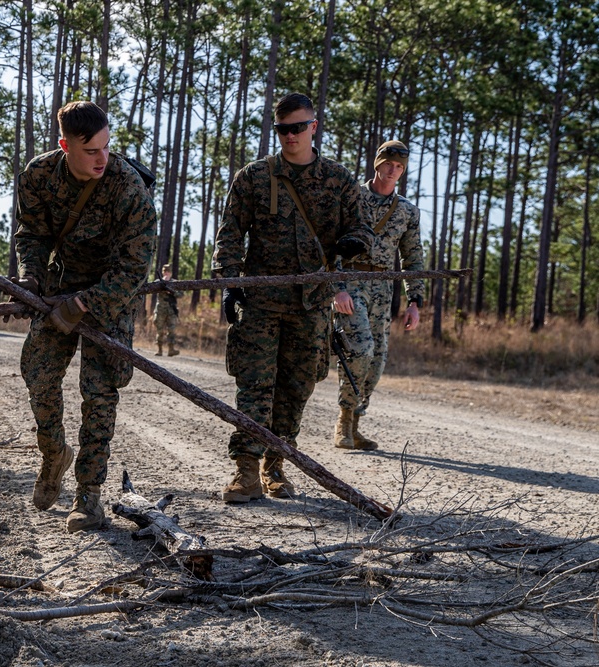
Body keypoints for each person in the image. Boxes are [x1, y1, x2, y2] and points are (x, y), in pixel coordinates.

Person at [211, 92, 374, 503]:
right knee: (254, 387)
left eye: (298, 127)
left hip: (311, 303)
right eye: (282, 129)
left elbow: (362, 226)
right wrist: (231, 283)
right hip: (262, 301)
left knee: (296, 388)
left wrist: (353, 241)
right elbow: (229, 233)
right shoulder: (254, 177)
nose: (290, 136)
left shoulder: (338, 180)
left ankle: (277, 465)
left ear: (313, 127)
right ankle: (245, 471)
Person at [13, 101, 157, 533]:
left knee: (99, 393)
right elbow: (32, 234)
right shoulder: (38, 176)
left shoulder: (128, 186)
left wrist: (84, 306)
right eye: (91, 150)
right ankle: (54, 453)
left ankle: (88, 495)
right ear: (65, 146)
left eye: (107, 147)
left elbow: (135, 267)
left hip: (111, 295)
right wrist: (32, 277)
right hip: (59, 287)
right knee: (37, 373)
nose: (102, 158)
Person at [332, 140, 424, 450]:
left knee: (378, 360)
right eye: (388, 164)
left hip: (384, 290)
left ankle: (356, 422)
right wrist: (338, 287)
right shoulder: (352, 197)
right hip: (352, 282)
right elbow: (328, 241)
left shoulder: (407, 212)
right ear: (377, 163)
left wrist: (415, 302)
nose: (392, 171)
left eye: (399, 167)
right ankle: (343, 420)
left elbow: (413, 256)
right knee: (361, 349)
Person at [152, 263, 180, 357]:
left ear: (171, 272)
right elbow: (152, 290)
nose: (167, 273)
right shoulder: (158, 282)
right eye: (165, 271)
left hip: (171, 310)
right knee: (160, 330)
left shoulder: (175, 282)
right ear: (163, 272)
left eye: (168, 271)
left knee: (171, 330)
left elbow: (181, 294)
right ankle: (159, 350)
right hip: (160, 310)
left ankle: (171, 350)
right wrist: (161, 286)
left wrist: (172, 292)